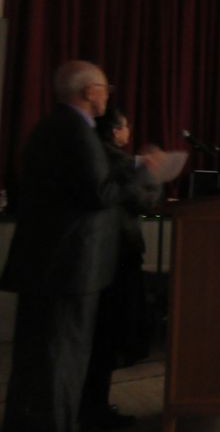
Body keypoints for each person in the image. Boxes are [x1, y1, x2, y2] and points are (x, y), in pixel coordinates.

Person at [1, 61, 162, 432]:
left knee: (44, 360)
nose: (107, 95)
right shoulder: (74, 129)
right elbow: (100, 193)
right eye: (105, 88)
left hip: (52, 263)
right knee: (59, 360)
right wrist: (145, 171)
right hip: (66, 266)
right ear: (90, 91)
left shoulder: (56, 126)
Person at [79, 107, 163, 429]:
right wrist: (152, 172)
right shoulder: (119, 161)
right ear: (115, 131)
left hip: (103, 254)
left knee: (101, 335)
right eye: (125, 126)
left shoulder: (99, 154)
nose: (129, 132)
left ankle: (90, 405)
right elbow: (145, 201)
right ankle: (94, 409)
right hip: (117, 255)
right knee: (108, 334)